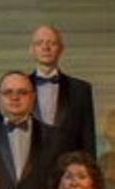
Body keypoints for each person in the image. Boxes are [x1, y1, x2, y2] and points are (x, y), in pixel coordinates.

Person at [28, 25, 97, 155]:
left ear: (61, 49)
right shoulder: (19, 88)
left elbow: (88, 138)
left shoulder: (80, 90)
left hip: (68, 165)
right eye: (39, 43)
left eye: (52, 43)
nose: (45, 47)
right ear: (31, 50)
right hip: (29, 164)